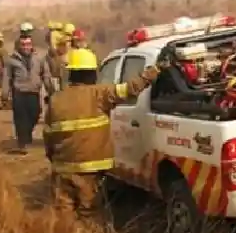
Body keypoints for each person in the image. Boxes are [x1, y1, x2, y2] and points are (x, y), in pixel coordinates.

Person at [43, 54, 165, 216]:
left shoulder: (56, 99)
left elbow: (48, 134)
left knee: (63, 214)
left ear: (71, 73)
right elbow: (129, 89)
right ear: (92, 73)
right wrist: (150, 74)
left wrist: (55, 160)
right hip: (90, 170)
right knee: (88, 213)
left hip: (62, 168)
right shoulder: (99, 93)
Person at [3, 34, 54, 151]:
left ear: (32, 45)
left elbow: (45, 74)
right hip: (19, 93)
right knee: (20, 118)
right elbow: (7, 77)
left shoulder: (39, 58)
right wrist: (5, 94)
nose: (26, 47)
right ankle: (22, 143)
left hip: (33, 92)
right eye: (23, 45)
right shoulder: (11, 60)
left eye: (28, 44)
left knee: (35, 114)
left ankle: (27, 134)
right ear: (18, 46)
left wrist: (49, 89)